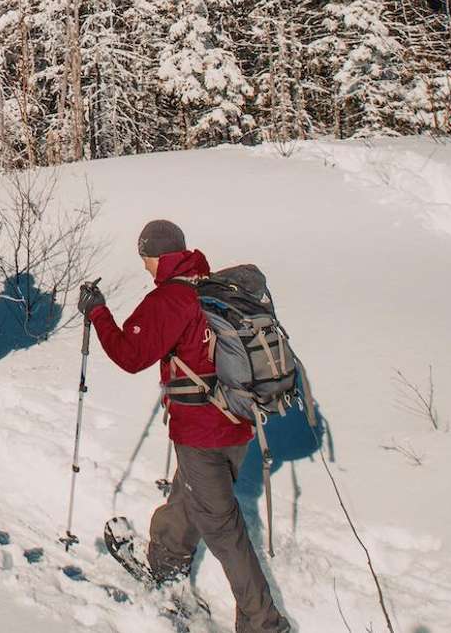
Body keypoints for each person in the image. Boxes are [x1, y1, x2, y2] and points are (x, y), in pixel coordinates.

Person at [78, 220, 290, 633]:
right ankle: (167, 560)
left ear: (157, 256)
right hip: (238, 423)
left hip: (201, 431)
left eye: (144, 258)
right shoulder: (210, 286)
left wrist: (98, 311)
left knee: (223, 528)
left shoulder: (170, 298)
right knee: (190, 493)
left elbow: (130, 355)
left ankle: (264, 622)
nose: (144, 267)